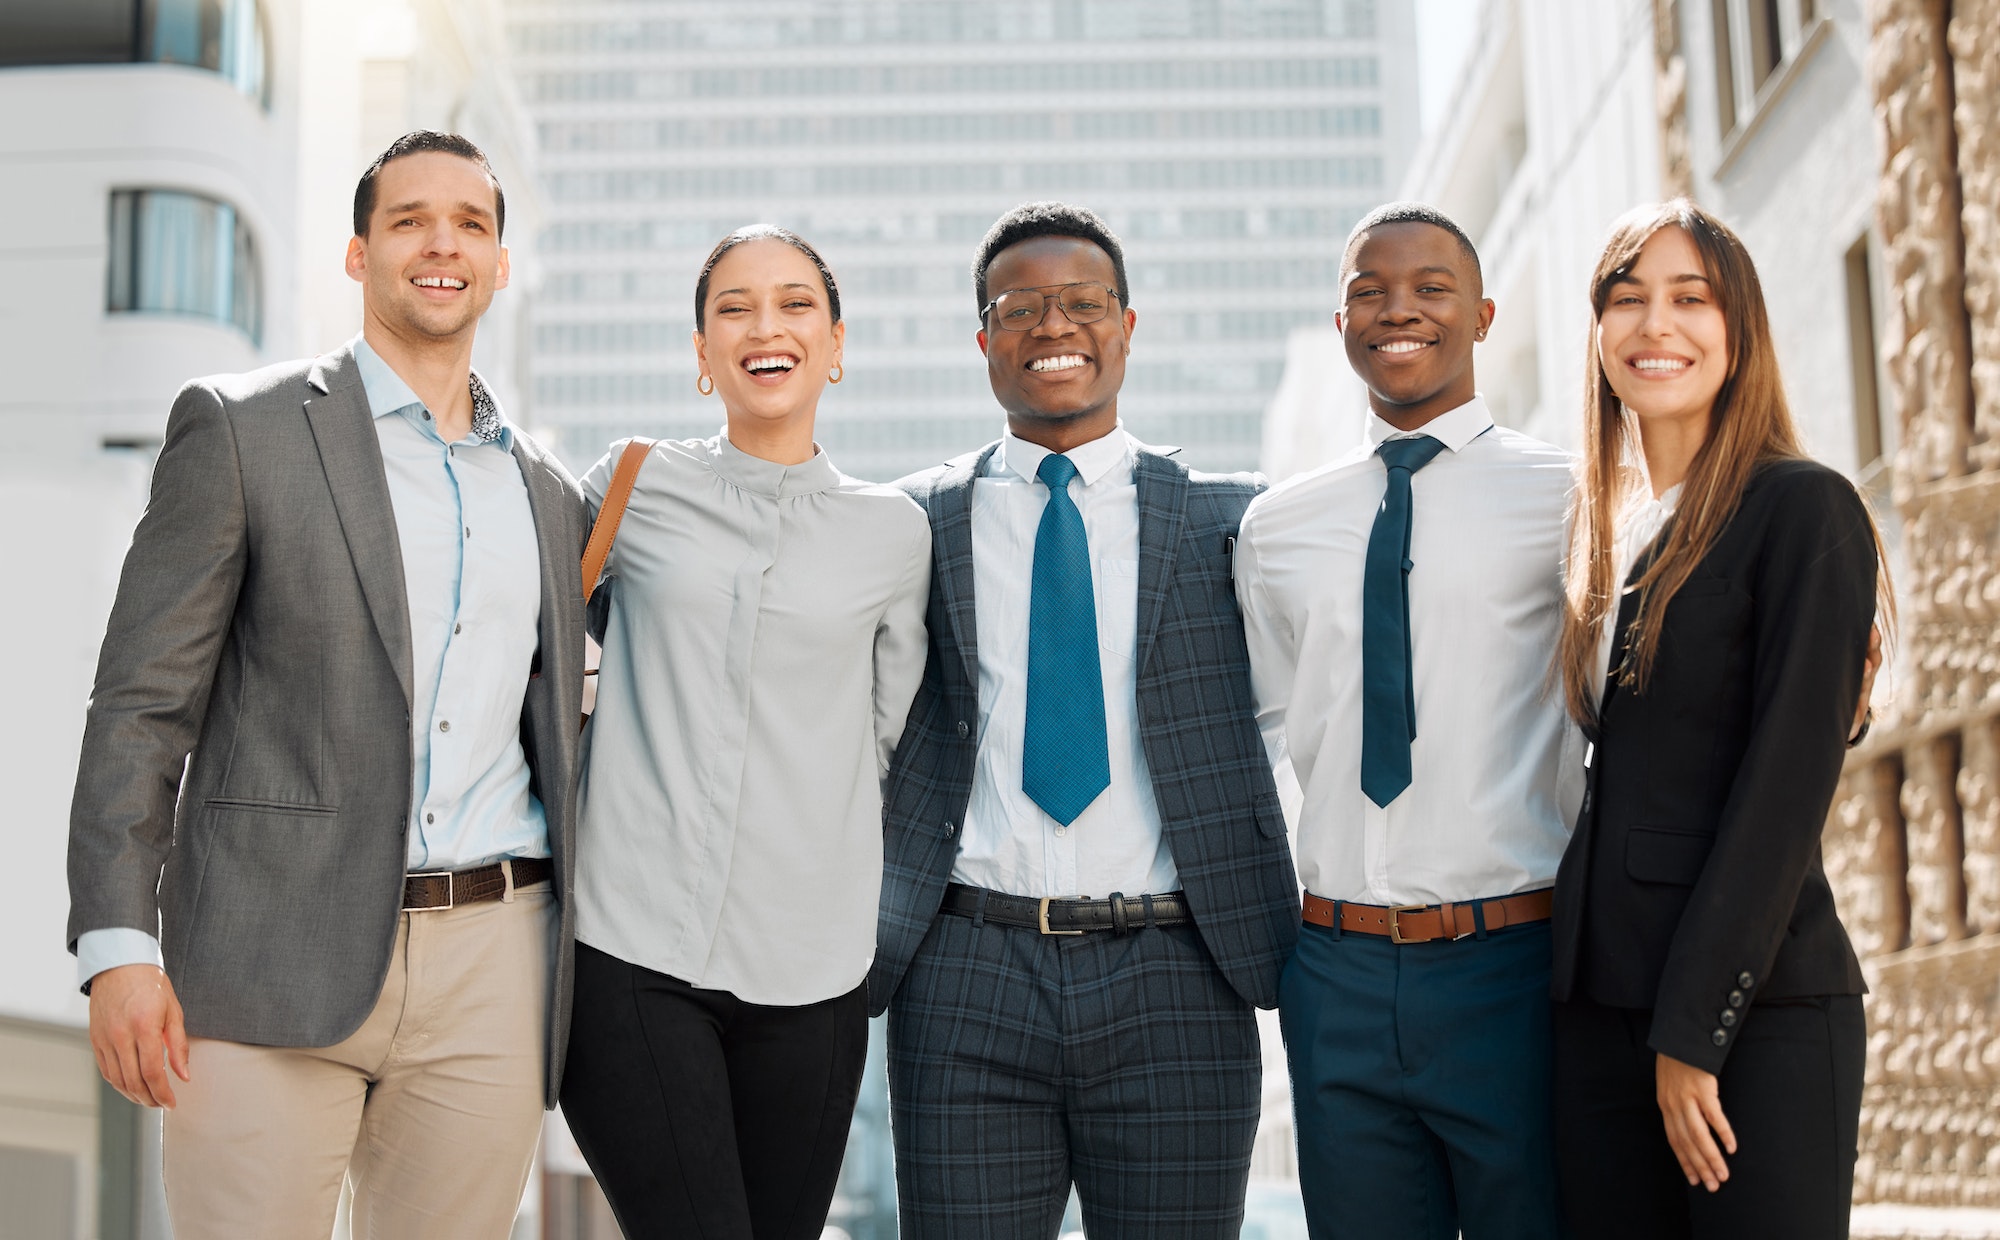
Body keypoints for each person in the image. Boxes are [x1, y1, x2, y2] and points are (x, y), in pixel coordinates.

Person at [66, 130, 587, 1239]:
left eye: (472, 226)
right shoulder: (241, 429)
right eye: (409, 221)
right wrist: (118, 944)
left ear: (499, 265)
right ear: (360, 254)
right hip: (264, 951)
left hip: (494, 962)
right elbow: (141, 704)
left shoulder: (544, 490)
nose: (441, 245)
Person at [873, 201, 1300, 1239]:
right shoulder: (909, 523)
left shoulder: (1231, 520)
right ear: (982, 339)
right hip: (966, 966)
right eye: (1018, 309)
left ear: (1126, 324)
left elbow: (1301, 717)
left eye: (1082, 304)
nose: (1052, 328)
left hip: (1177, 972)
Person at [556, 225, 932, 1239]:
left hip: (810, 971)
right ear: (700, 353)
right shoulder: (628, 485)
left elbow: (882, 735)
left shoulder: (893, 535)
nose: (765, 326)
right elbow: (538, 640)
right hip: (629, 947)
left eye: (794, 303)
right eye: (733, 307)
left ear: (837, 342)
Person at [1232, 202, 1574, 1238]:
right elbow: (1266, 726)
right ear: (1339, 327)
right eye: (1368, 293)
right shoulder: (1276, 526)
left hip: (1512, 959)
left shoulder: (1568, 496)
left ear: (1479, 310)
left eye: (1429, 288)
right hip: (1334, 968)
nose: (1399, 310)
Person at [1548, 200, 1887, 1236]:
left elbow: (1780, 794)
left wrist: (1692, 1031)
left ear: (1737, 334)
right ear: (1597, 333)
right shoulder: (1597, 534)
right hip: (1597, 1018)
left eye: (1689, 299)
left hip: (1755, 1017)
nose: (1656, 326)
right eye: (1627, 298)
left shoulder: (1801, 508)